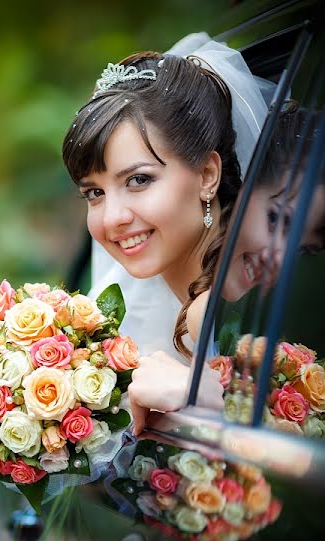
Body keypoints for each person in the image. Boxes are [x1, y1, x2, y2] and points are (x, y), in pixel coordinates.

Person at [62, 33, 272, 424]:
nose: (112, 218)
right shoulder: (112, 318)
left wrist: (213, 405)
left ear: (207, 174)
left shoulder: (238, 309)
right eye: (93, 192)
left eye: (139, 180)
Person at [129, 103, 325, 433]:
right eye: (277, 219)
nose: (280, 258)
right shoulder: (201, 315)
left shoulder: (233, 330)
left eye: (301, 249)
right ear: (229, 190)